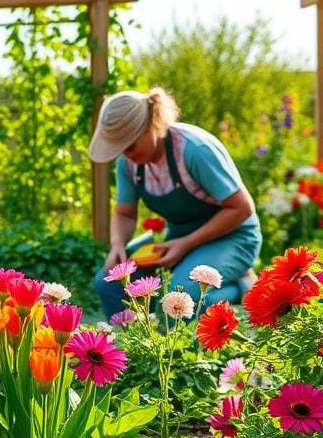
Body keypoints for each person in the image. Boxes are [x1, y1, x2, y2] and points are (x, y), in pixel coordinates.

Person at [90, 88, 261, 319]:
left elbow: (241, 208)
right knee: (108, 282)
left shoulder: (194, 150)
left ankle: (241, 288)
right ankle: (130, 349)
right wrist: (117, 243)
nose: (125, 153)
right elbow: (125, 213)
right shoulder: (128, 163)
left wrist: (186, 244)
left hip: (234, 236)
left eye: (129, 145)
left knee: (183, 293)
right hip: (178, 237)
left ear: (151, 124)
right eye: (119, 148)